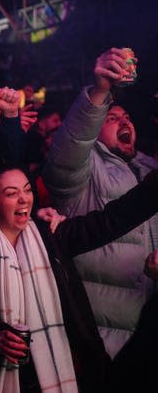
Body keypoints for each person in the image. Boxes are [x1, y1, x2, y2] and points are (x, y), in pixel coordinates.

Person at [0, 163, 158, 393]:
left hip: (68, 369)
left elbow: (108, 222)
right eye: (12, 194)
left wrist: (153, 188)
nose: (24, 199)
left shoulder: (51, 236)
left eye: (27, 190)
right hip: (12, 377)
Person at [42, 48, 158, 357]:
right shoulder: (83, 171)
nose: (124, 121)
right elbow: (71, 147)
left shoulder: (148, 169)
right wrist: (100, 91)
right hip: (104, 337)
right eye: (113, 118)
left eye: (127, 117)